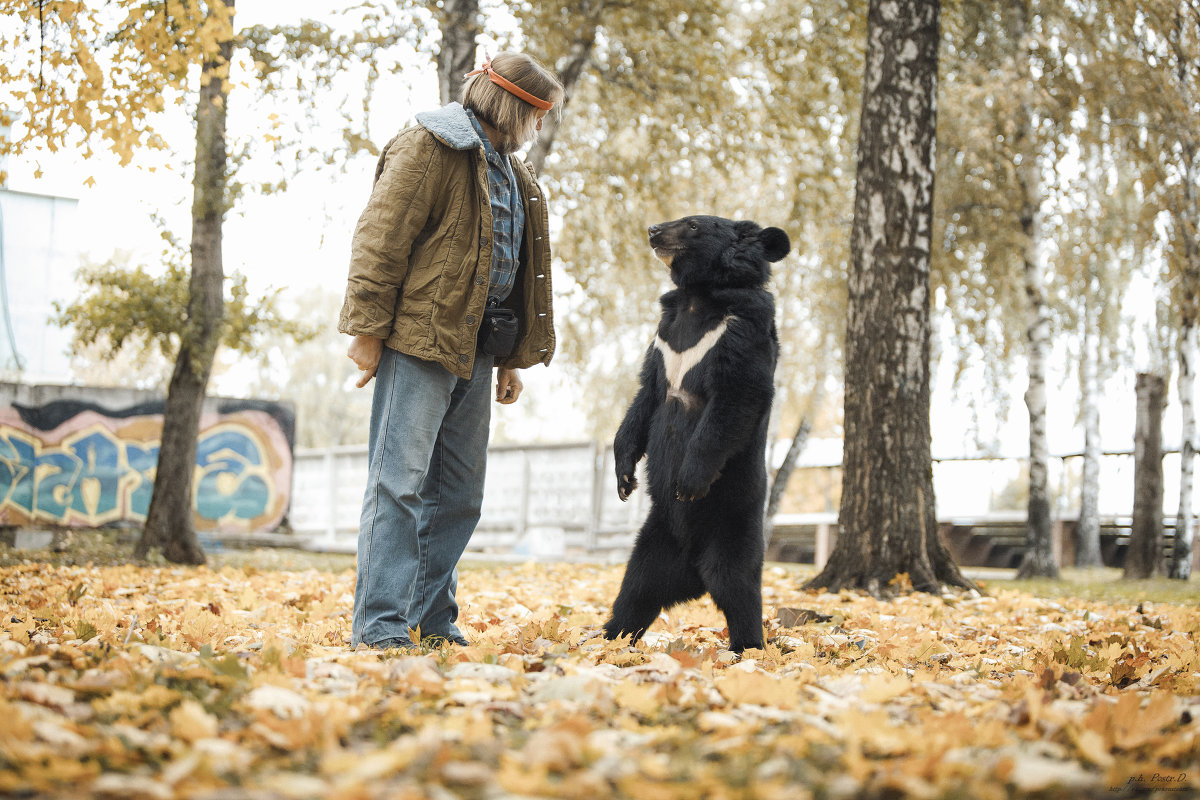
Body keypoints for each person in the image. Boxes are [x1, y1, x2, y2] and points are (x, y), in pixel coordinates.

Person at [339, 52, 565, 650]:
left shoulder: (516, 176)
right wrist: (367, 330)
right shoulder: (430, 145)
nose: (540, 129)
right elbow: (381, 236)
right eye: (538, 116)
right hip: (418, 341)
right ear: (516, 108)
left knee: (459, 495)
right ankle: (380, 626)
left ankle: (430, 621)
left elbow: (518, 271)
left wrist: (514, 357)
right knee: (400, 485)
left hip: (480, 350)